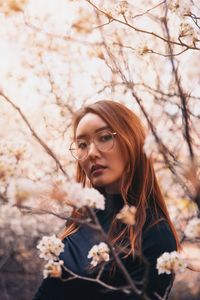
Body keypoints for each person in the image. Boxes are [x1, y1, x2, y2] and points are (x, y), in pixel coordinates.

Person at [33, 100, 180, 300]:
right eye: (82, 145)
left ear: (132, 142)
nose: (91, 153)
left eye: (104, 138)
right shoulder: (82, 220)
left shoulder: (155, 234)